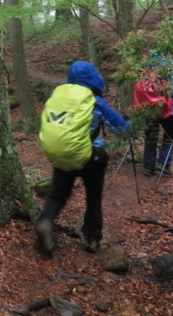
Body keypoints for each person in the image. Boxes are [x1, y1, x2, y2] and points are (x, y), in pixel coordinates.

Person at [35, 61, 130, 255]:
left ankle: (45, 221)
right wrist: (130, 123)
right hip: (92, 158)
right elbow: (122, 129)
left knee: (58, 194)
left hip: (64, 154)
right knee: (93, 198)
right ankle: (92, 239)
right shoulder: (96, 101)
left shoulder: (59, 98)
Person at [140, 53, 173, 177]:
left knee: (150, 137)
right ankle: (163, 165)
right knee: (170, 137)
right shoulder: (172, 77)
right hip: (169, 112)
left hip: (150, 112)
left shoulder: (145, 76)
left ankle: (148, 166)